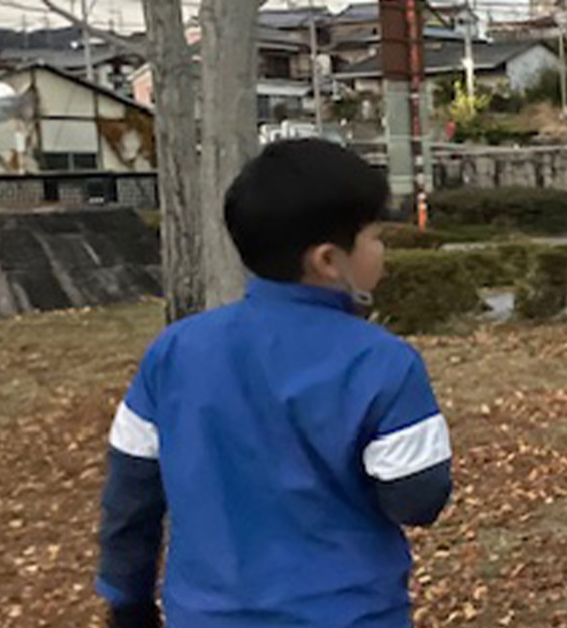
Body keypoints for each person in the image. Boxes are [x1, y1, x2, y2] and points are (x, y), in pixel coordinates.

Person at [94, 138, 453, 628]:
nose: (382, 250)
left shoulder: (174, 351)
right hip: (351, 614)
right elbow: (417, 500)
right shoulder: (382, 362)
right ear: (329, 260)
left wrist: (127, 599)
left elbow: (131, 494)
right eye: (375, 237)